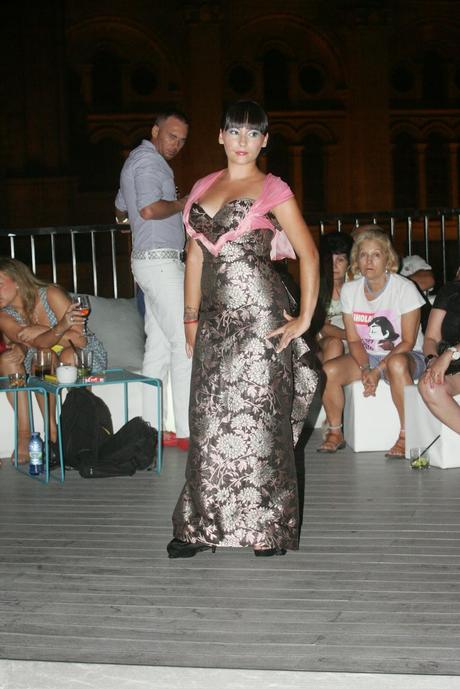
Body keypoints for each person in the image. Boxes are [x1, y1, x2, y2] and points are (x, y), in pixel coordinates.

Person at [167, 100, 320, 559]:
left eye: (253, 134)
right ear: (220, 136)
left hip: (260, 320)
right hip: (214, 323)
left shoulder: (274, 189)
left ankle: (265, 526)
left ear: (264, 141)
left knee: (260, 424)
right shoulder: (201, 186)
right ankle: (197, 526)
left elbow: (308, 254)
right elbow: (194, 256)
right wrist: (189, 319)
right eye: (235, 132)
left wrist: (305, 318)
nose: (242, 142)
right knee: (209, 421)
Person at [115, 109, 191, 451]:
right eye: (172, 136)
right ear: (155, 130)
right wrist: (181, 202)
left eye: (182, 140)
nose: (176, 144)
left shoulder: (135, 161)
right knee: (185, 342)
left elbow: (120, 209)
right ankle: (190, 431)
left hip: (146, 262)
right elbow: (147, 210)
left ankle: (150, 429)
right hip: (160, 262)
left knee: (158, 347)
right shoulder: (150, 163)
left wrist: (136, 216)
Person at [317, 227, 426, 457]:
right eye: (363, 254)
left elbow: (407, 341)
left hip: (407, 356)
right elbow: (354, 339)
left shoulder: (404, 289)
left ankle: (407, 436)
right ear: (356, 259)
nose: (369, 260)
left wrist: (377, 370)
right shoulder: (351, 290)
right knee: (329, 370)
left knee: (396, 363)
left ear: (388, 258)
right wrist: (366, 368)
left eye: (376, 254)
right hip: (368, 355)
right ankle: (335, 432)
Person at [0, 257, 107, 463]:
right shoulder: (4, 315)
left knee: (68, 355)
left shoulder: (51, 294)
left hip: (79, 352)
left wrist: (43, 332)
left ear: (19, 281)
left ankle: (82, 427)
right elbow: (34, 342)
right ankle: (50, 433)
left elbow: (79, 339)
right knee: (44, 356)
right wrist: (54, 331)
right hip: (40, 357)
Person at [418, 273, 460, 432]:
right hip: (453, 367)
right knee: (429, 385)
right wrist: (432, 360)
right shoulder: (450, 290)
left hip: (450, 357)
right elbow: (431, 338)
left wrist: (450, 353)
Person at [316, 231, 354, 363]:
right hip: (325, 341)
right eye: (329, 260)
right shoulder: (317, 288)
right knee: (335, 344)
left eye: (340, 260)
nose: (334, 265)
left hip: (356, 338)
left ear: (349, 262)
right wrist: (350, 336)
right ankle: (328, 382)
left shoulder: (356, 285)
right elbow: (323, 327)